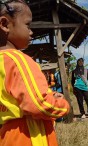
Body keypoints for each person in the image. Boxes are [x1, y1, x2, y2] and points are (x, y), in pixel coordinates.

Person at [0, 1, 70, 146]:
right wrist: (63, 105)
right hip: (29, 135)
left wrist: (49, 94)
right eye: (28, 25)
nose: (31, 32)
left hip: (6, 135)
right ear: (5, 24)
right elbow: (39, 104)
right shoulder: (19, 60)